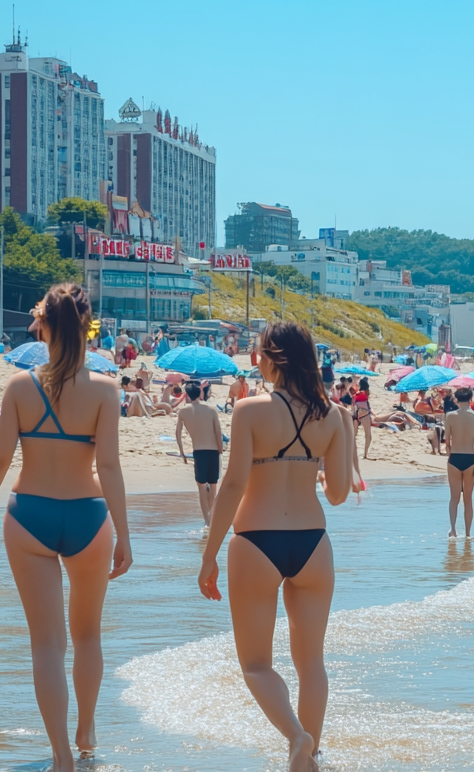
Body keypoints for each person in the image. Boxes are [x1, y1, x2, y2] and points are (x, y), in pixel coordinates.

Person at [0, 284, 131, 771]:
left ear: (43, 325)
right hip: (89, 516)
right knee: (88, 636)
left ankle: (62, 756)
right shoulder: (105, 389)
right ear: (86, 327)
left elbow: (1, 457)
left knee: (46, 645)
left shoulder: (20, 387)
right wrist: (125, 534)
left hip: (30, 516)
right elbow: (109, 466)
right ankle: (87, 731)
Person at [198, 321, 353, 772]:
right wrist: (312, 465)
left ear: (272, 358)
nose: (255, 360)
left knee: (255, 665)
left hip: (255, 541)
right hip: (313, 543)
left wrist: (209, 554)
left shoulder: (249, 410)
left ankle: (296, 737)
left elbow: (233, 485)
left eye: (258, 353)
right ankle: (309, 756)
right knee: (312, 663)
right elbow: (339, 494)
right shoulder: (335, 415)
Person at [176, 381, 224, 526]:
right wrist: (220, 450)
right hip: (214, 451)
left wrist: (182, 452)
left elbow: (178, 433)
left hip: (199, 452)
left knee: (202, 487)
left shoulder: (183, 412)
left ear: (187, 394)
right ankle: (212, 518)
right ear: (200, 393)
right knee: (213, 485)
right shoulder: (211, 410)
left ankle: (207, 522)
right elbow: (218, 432)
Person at [445, 386, 474, 538]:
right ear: (470, 399)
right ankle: (467, 534)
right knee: (468, 499)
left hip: (455, 457)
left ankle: (453, 529)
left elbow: (447, 442)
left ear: (456, 399)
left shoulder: (450, 416)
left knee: (454, 498)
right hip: (470, 457)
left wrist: (449, 457)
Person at [352, 378, 373, 459]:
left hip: (356, 415)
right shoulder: (365, 393)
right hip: (365, 414)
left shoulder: (357, 394)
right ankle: (365, 454)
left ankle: (351, 452)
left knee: (354, 435)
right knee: (368, 435)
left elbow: (353, 405)